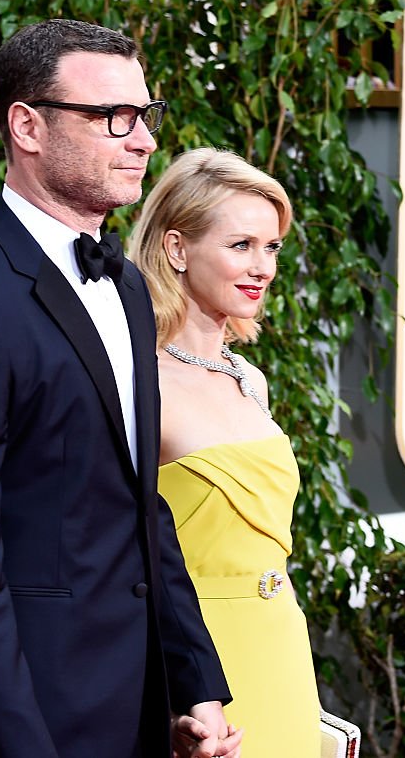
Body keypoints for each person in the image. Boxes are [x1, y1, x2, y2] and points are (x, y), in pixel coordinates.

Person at [0, 20, 242, 758]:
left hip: (133, 715)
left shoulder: (134, 289)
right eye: (113, 118)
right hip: (18, 727)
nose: (142, 140)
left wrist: (192, 685)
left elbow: (142, 508)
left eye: (146, 117)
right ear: (27, 125)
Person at [130, 148, 321, 756]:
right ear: (177, 248)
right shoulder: (138, 381)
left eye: (271, 248)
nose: (262, 266)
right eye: (240, 245)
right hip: (198, 665)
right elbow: (128, 549)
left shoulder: (250, 379)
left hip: (282, 645)